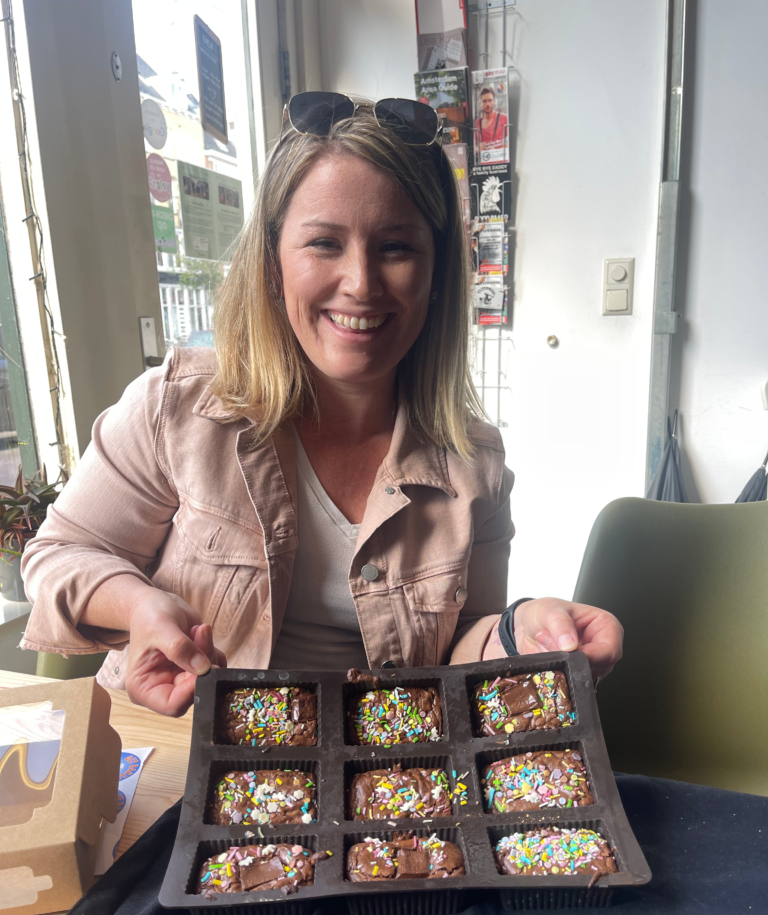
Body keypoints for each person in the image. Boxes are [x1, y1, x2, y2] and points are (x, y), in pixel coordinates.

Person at [20, 93, 622, 717]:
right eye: (325, 243)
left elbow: (457, 656)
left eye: (396, 248)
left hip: (375, 781)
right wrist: (138, 605)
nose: (361, 282)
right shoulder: (175, 408)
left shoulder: (475, 464)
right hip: (179, 755)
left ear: (437, 272)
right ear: (274, 265)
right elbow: (57, 556)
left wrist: (515, 631)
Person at [475, 86, 508, 160]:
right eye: (484, 101)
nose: (487, 104)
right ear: (480, 102)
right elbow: (472, 147)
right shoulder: (477, 123)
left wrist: (497, 150)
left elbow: (512, 144)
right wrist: (477, 149)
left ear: (494, 101)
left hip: (501, 165)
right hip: (484, 168)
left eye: (490, 100)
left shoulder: (504, 118)